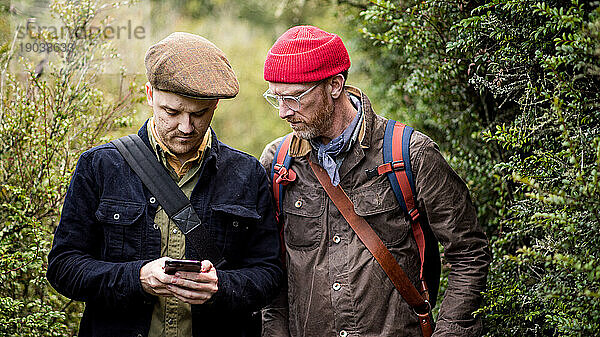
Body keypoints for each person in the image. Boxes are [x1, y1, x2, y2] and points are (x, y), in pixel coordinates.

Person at [259, 25, 491, 337]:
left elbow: (468, 252)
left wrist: (450, 330)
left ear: (335, 85)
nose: (284, 112)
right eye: (277, 99)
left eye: (295, 97)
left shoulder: (411, 154)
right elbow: (270, 270)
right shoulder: (277, 163)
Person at [47, 32, 283, 337]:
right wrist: (138, 277)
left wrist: (221, 287)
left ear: (215, 105)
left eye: (200, 114)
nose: (186, 127)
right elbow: (64, 267)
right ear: (149, 95)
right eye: (172, 112)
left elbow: (269, 274)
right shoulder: (99, 165)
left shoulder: (247, 173)